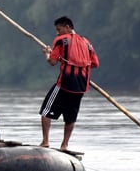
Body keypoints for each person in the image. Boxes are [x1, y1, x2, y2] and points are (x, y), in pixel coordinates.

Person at [39, 16, 99, 150]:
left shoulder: (61, 41)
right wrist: (78, 65)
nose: (57, 33)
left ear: (67, 27)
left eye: (58, 29)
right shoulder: (87, 43)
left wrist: (47, 54)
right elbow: (95, 64)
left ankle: (45, 141)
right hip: (81, 86)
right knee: (71, 116)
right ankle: (64, 145)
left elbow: (53, 62)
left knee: (45, 110)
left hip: (65, 84)